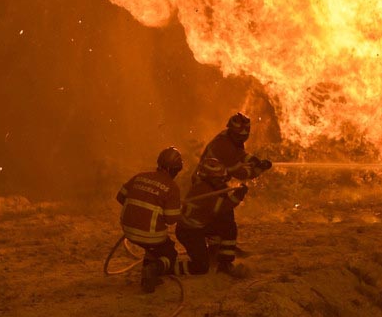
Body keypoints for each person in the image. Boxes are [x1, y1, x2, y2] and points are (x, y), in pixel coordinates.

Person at [176, 112, 272, 277]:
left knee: (225, 220)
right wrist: (258, 169)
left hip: (213, 179)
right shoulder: (224, 148)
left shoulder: (229, 137)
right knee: (223, 215)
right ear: (232, 132)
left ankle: (220, 249)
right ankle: (220, 254)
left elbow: (239, 152)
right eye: (240, 136)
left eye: (244, 136)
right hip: (209, 182)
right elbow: (241, 173)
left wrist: (253, 159)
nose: (242, 139)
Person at [116, 146, 188, 293]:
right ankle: (153, 270)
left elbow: (120, 197)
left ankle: (147, 278)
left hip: (128, 230)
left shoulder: (139, 177)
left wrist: (137, 212)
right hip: (150, 235)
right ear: (175, 170)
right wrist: (179, 209)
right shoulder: (172, 187)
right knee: (169, 254)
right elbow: (170, 219)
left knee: (152, 248)